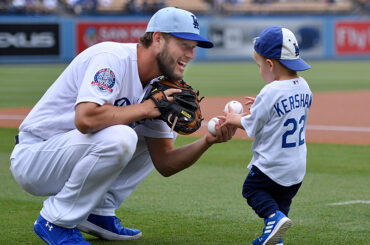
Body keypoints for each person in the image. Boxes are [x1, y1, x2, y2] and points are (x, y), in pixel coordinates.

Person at [10, 7, 235, 245]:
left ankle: (99, 212)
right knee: (122, 136)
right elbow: (85, 120)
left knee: (153, 132)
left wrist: (207, 141)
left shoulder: (159, 86)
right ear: (158, 38)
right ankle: (55, 220)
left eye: (194, 47)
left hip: (68, 155)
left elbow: (166, 162)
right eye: (184, 44)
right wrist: (147, 108)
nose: (191, 54)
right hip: (36, 157)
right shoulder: (112, 58)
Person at [220, 26, 312, 245]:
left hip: (272, 165)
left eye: (260, 65)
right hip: (296, 167)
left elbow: (251, 124)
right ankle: (275, 238)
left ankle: (273, 219)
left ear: (270, 65)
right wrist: (263, 106)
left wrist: (233, 119)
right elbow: (282, 111)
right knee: (281, 201)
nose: (260, 69)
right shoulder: (305, 87)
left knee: (252, 190)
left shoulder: (270, 91)